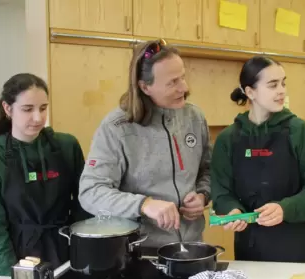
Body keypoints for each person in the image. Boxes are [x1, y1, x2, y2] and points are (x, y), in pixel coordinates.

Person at [78, 39, 211, 254]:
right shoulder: (117, 128)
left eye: (183, 77)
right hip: (141, 252)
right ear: (145, 86)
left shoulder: (194, 117)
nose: (184, 88)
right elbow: (91, 193)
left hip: (192, 247)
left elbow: (208, 169)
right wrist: (144, 204)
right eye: (173, 82)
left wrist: (203, 194)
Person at [210, 56, 305, 263]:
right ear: (250, 92)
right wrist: (232, 210)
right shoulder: (228, 139)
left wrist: (285, 209)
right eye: (273, 85)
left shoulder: (299, 131)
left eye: (283, 83)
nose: (282, 90)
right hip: (249, 246)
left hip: (297, 245)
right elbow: (221, 192)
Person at [0, 73, 91, 276]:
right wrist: (8, 277)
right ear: (8, 109)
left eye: (43, 108)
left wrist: (82, 251)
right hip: (18, 257)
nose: (38, 117)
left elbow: (84, 203)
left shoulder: (67, 146)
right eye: (27, 109)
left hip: (67, 250)